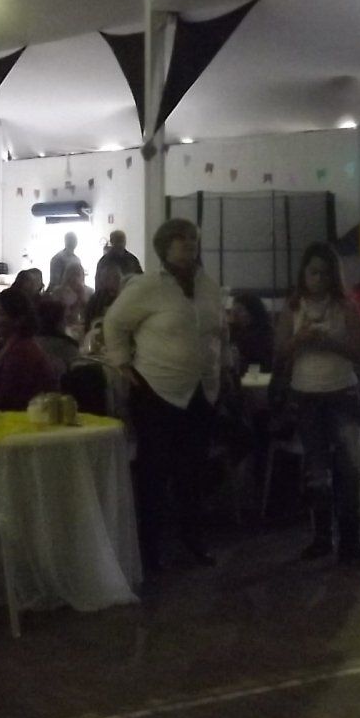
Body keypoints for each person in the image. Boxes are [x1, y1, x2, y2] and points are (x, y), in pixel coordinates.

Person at [103, 217, 222, 571]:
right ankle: (149, 551)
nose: (189, 244)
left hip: (200, 390)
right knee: (154, 473)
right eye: (181, 239)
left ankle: (193, 540)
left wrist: (222, 366)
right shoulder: (148, 285)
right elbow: (114, 323)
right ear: (164, 246)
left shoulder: (207, 285)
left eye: (193, 238)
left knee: (193, 471)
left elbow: (217, 330)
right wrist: (122, 363)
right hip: (157, 389)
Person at [277, 243, 360, 565]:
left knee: (350, 468)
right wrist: (300, 339)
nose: (319, 279)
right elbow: (279, 352)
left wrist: (332, 343)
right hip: (306, 394)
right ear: (303, 274)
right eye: (313, 272)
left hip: (341, 393)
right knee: (317, 470)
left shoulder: (346, 308)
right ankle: (321, 538)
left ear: (334, 276)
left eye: (325, 273)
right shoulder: (292, 307)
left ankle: (351, 541)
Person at [0, 290, 59, 410]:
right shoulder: (7, 345)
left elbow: (7, 399)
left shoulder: (22, 351)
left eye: (0, 313)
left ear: (18, 319)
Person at [35, 295, 81, 373]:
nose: (66, 322)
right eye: (64, 318)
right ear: (58, 321)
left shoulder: (31, 343)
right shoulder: (66, 347)